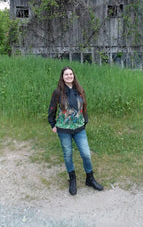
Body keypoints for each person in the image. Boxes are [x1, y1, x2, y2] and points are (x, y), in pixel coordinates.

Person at [48, 66, 103, 195]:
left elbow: (84, 106)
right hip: (63, 129)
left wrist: (85, 120)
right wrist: (52, 124)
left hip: (79, 128)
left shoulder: (80, 90)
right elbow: (51, 109)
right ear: (62, 77)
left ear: (74, 76)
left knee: (86, 154)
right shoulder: (57, 92)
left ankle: (90, 178)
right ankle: (72, 179)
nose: (69, 76)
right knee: (68, 154)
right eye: (66, 74)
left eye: (71, 74)